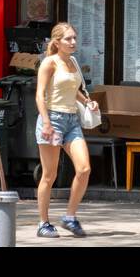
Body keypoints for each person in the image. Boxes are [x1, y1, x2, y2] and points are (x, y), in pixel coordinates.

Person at [34, 23, 97, 238]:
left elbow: (74, 89)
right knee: (49, 175)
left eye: (74, 38)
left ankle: (70, 217)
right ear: (57, 42)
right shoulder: (50, 63)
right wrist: (46, 123)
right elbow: (39, 95)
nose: (73, 42)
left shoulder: (73, 62)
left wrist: (88, 101)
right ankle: (43, 223)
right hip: (52, 118)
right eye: (68, 39)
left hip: (72, 120)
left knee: (84, 169)